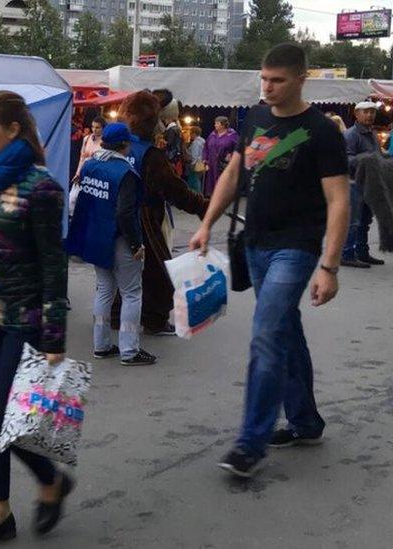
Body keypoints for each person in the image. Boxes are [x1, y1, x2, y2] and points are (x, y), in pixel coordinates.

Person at [189, 43, 350, 478]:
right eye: (264, 79)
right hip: (256, 244)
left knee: (265, 335)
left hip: (296, 247)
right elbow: (232, 173)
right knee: (283, 331)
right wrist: (206, 224)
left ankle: (250, 443)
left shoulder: (321, 131)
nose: (268, 87)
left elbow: (338, 201)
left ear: (301, 78)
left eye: (277, 80)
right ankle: (306, 422)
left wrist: (330, 267)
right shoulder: (256, 119)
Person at [0, 91, 71, 547]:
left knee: (3, 420)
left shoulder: (42, 189)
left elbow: (53, 265)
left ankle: (50, 481)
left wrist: (54, 334)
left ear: (14, 130)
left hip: (25, 321)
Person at [111, 90, 209, 336]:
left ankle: (114, 315)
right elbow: (175, 190)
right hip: (144, 217)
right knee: (157, 272)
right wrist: (203, 206)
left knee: (118, 268)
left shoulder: (118, 147)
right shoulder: (151, 155)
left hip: (113, 215)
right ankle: (154, 319)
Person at [66, 123, 155, 365]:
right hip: (120, 239)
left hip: (96, 237)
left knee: (104, 289)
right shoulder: (125, 173)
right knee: (132, 293)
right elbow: (126, 213)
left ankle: (101, 345)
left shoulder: (91, 165)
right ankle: (129, 351)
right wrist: (137, 244)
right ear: (124, 144)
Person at [341, 101, 385, 268]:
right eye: (366, 112)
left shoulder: (371, 133)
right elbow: (346, 159)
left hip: (370, 183)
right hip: (354, 183)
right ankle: (346, 254)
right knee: (354, 221)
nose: (369, 115)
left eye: (372, 112)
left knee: (365, 220)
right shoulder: (351, 134)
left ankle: (362, 252)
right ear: (356, 114)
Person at [202, 116, 239, 196]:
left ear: (223, 125)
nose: (215, 125)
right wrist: (205, 159)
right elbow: (206, 147)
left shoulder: (232, 135)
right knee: (211, 184)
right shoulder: (212, 135)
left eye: (217, 124)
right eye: (215, 123)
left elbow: (239, 147)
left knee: (222, 183)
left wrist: (231, 155)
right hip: (211, 163)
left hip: (224, 164)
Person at [72, 116, 105, 182]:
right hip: (85, 172)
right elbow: (82, 158)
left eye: (97, 127)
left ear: (103, 128)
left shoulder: (105, 141)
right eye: (93, 127)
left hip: (97, 175)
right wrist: (77, 174)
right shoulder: (86, 139)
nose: (94, 129)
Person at [186, 126, 205, 193]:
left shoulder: (195, 143)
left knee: (194, 182)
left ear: (194, 133)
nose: (190, 135)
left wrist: (192, 165)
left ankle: (196, 197)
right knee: (198, 180)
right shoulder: (203, 141)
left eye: (191, 133)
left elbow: (194, 155)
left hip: (196, 164)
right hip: (201, 164)